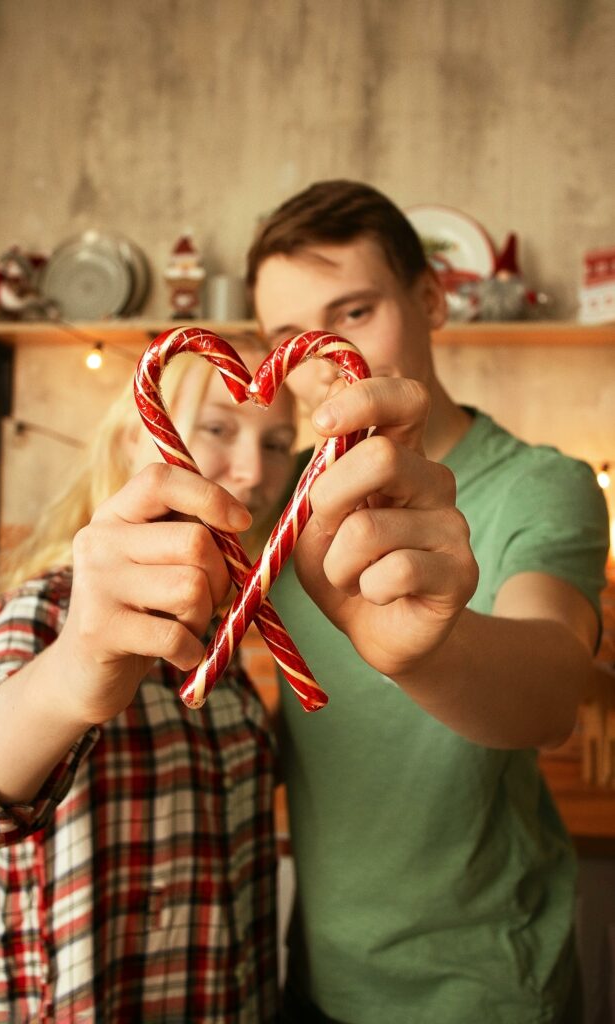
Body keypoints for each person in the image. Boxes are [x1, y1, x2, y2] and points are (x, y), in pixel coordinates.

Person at [245, 180, 611, 1024]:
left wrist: (429, 650)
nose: (322, 359)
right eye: (287, 339)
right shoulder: (280, 500)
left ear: (430, 299)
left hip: (489, 987)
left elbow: (552, 685)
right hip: (315, 973)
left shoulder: (540, 486)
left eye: (355, 313)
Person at [0, 335, 300, 1023]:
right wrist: (74, 670)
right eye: (218, 428)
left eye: (277, 442)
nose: (253, 469)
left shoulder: (223, 625)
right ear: (137, 438)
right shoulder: (52, 608)